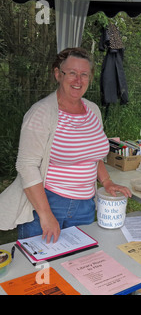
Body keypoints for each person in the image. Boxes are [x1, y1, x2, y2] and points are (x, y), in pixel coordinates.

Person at [0, 47, 131, 243]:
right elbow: (26, 166)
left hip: (86, 205)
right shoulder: (41, 113)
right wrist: (45, 215)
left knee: (77, 265)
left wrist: (107, 182)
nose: (78, 80)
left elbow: (94, 156)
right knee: (42, 268)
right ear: (57, 74)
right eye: (71, 73)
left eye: (84, 74)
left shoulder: (93, 110)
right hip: (48, 201)